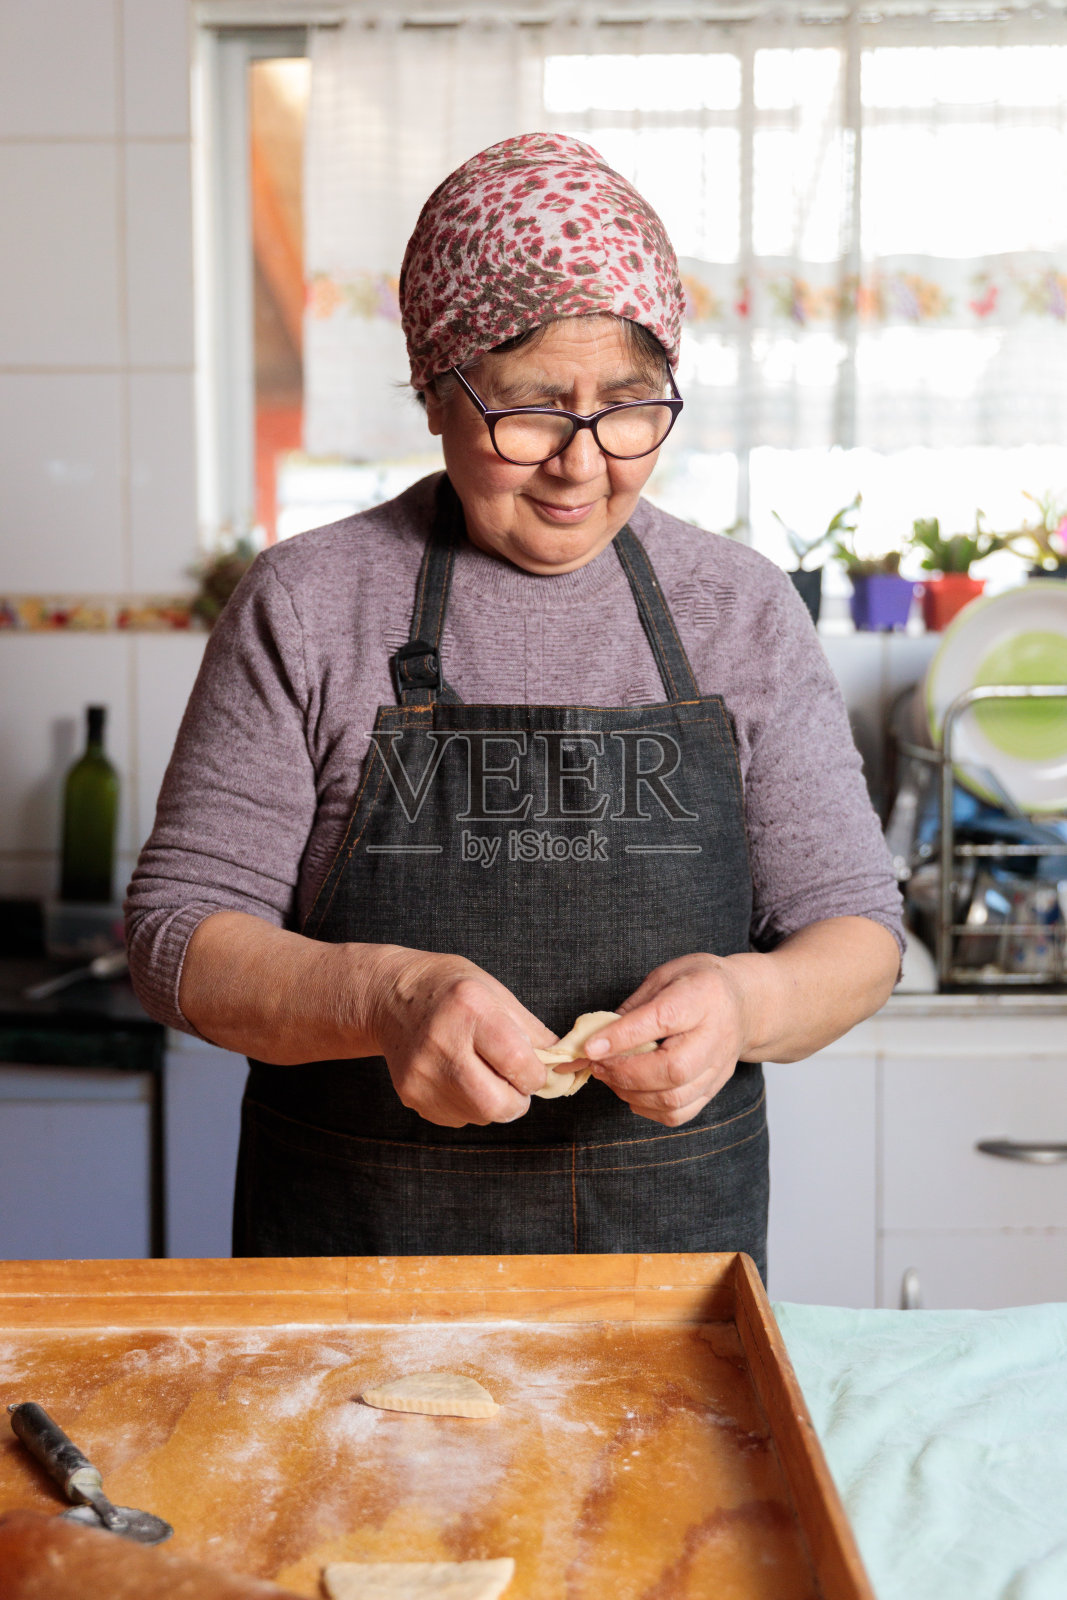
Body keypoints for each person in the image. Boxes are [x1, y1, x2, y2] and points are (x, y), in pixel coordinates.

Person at [126, 133, 902, 1278]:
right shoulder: (308, 601)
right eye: (532, 409)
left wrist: (743, 1001)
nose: (581, 465)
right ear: (437, 394)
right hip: (354, 1271)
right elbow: (175, 937)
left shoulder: (736, 610)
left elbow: (858, 935)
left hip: (667, 1282)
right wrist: (390, 998)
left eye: (628, 405)